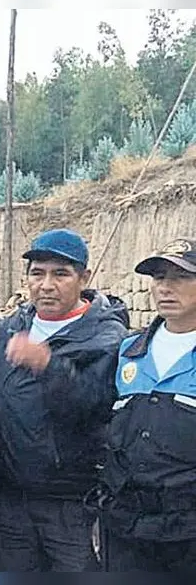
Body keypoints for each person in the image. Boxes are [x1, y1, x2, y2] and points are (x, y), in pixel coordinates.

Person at [0, 229, 126, 572]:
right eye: (38, 273)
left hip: (71, 505)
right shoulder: (15, 324)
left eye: (60, 274)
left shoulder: (105, 337)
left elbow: (96, 404)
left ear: (84, 278)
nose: (46, 285)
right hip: (13, 500)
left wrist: (48, 365)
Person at [97, 238, 196, 570]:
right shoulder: (128, 352)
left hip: (187, 532)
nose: (166, 287)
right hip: (128, 527)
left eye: (182, 277)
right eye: (159, 277)